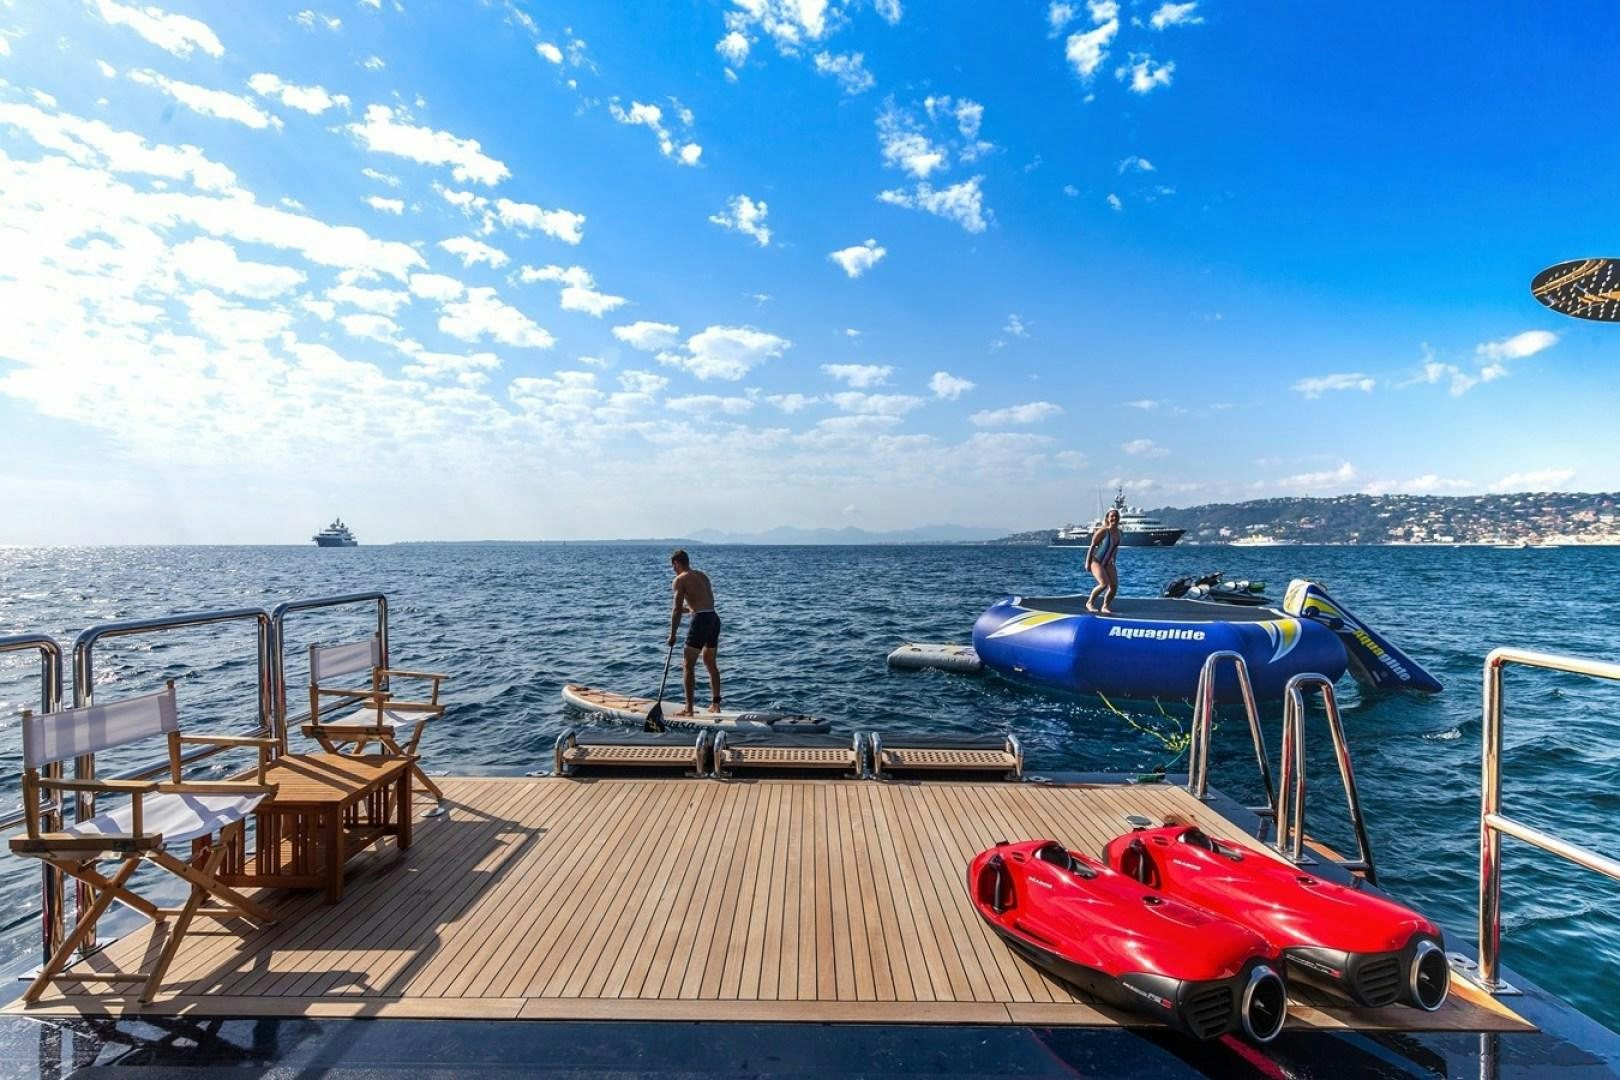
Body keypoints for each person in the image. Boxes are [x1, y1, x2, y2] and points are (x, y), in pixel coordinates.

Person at [667, 549, 721, 715]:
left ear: (677, 563)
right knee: (710, 662)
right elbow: (703, 603)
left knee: (688, 664)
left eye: (673, 566)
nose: (673, 570)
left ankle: (689, 709)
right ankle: (716, 705)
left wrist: (672, 634)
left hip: (701, 620)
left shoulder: (680, 579)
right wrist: (690, 610)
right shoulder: (702, 576)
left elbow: (677, 610)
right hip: (713, 618)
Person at [1085, 507, 1121, 614]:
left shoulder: (1119, 533)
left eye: (1116, 516)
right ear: (1107, 518)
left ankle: (1105, 606)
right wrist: (1087, 562)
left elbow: (1115, 548)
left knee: (1114, 586)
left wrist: (1113, 561)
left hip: (1108, 563)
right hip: (1096, 561)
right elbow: (1092, 546)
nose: (1114, 518)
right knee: (1104, 584)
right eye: (1112, 516)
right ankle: (1089, 603)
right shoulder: (1103, 531)